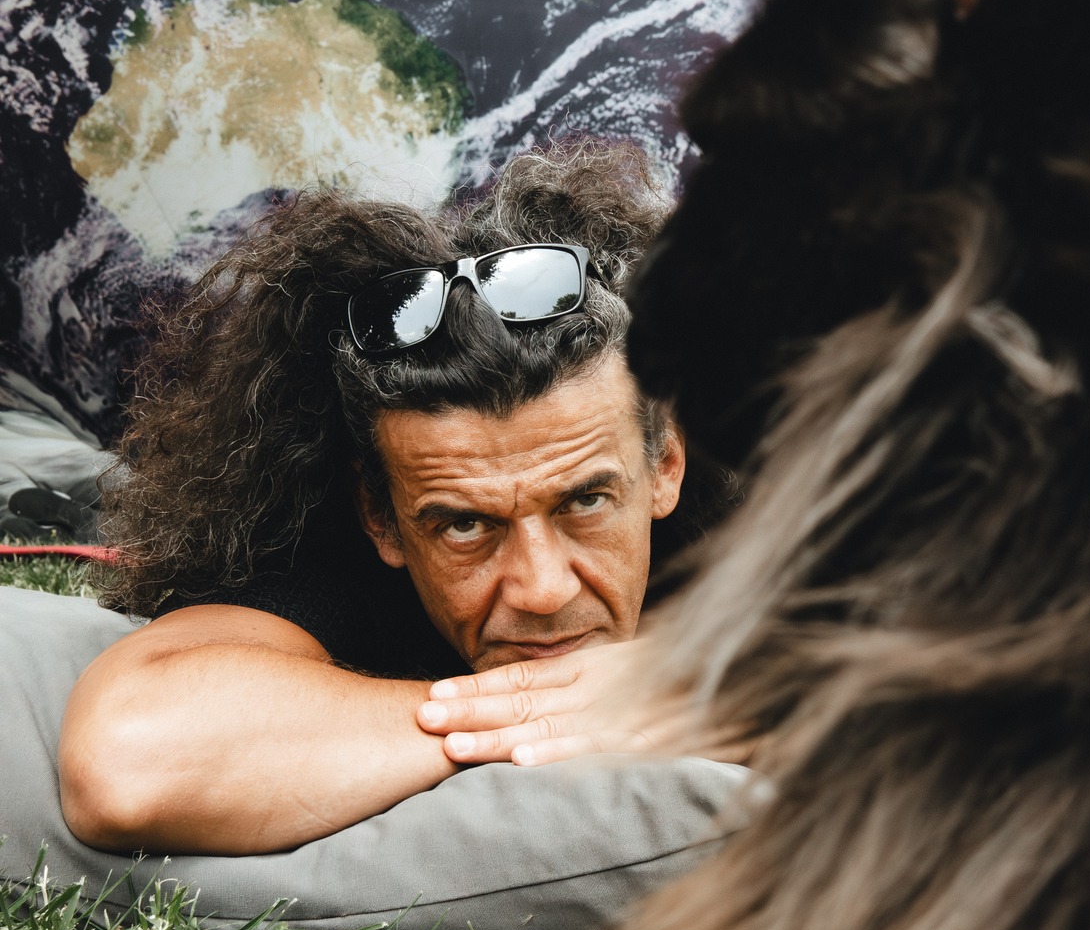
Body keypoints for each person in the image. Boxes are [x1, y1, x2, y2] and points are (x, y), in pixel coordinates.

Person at [58, 145, 728, 858]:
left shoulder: (765, 507)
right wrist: (565, 712)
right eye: (466, 525)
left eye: (585, 501)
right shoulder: (330, 551)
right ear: (380, 515)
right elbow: (128, 761)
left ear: (667, 462)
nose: (541, 590)